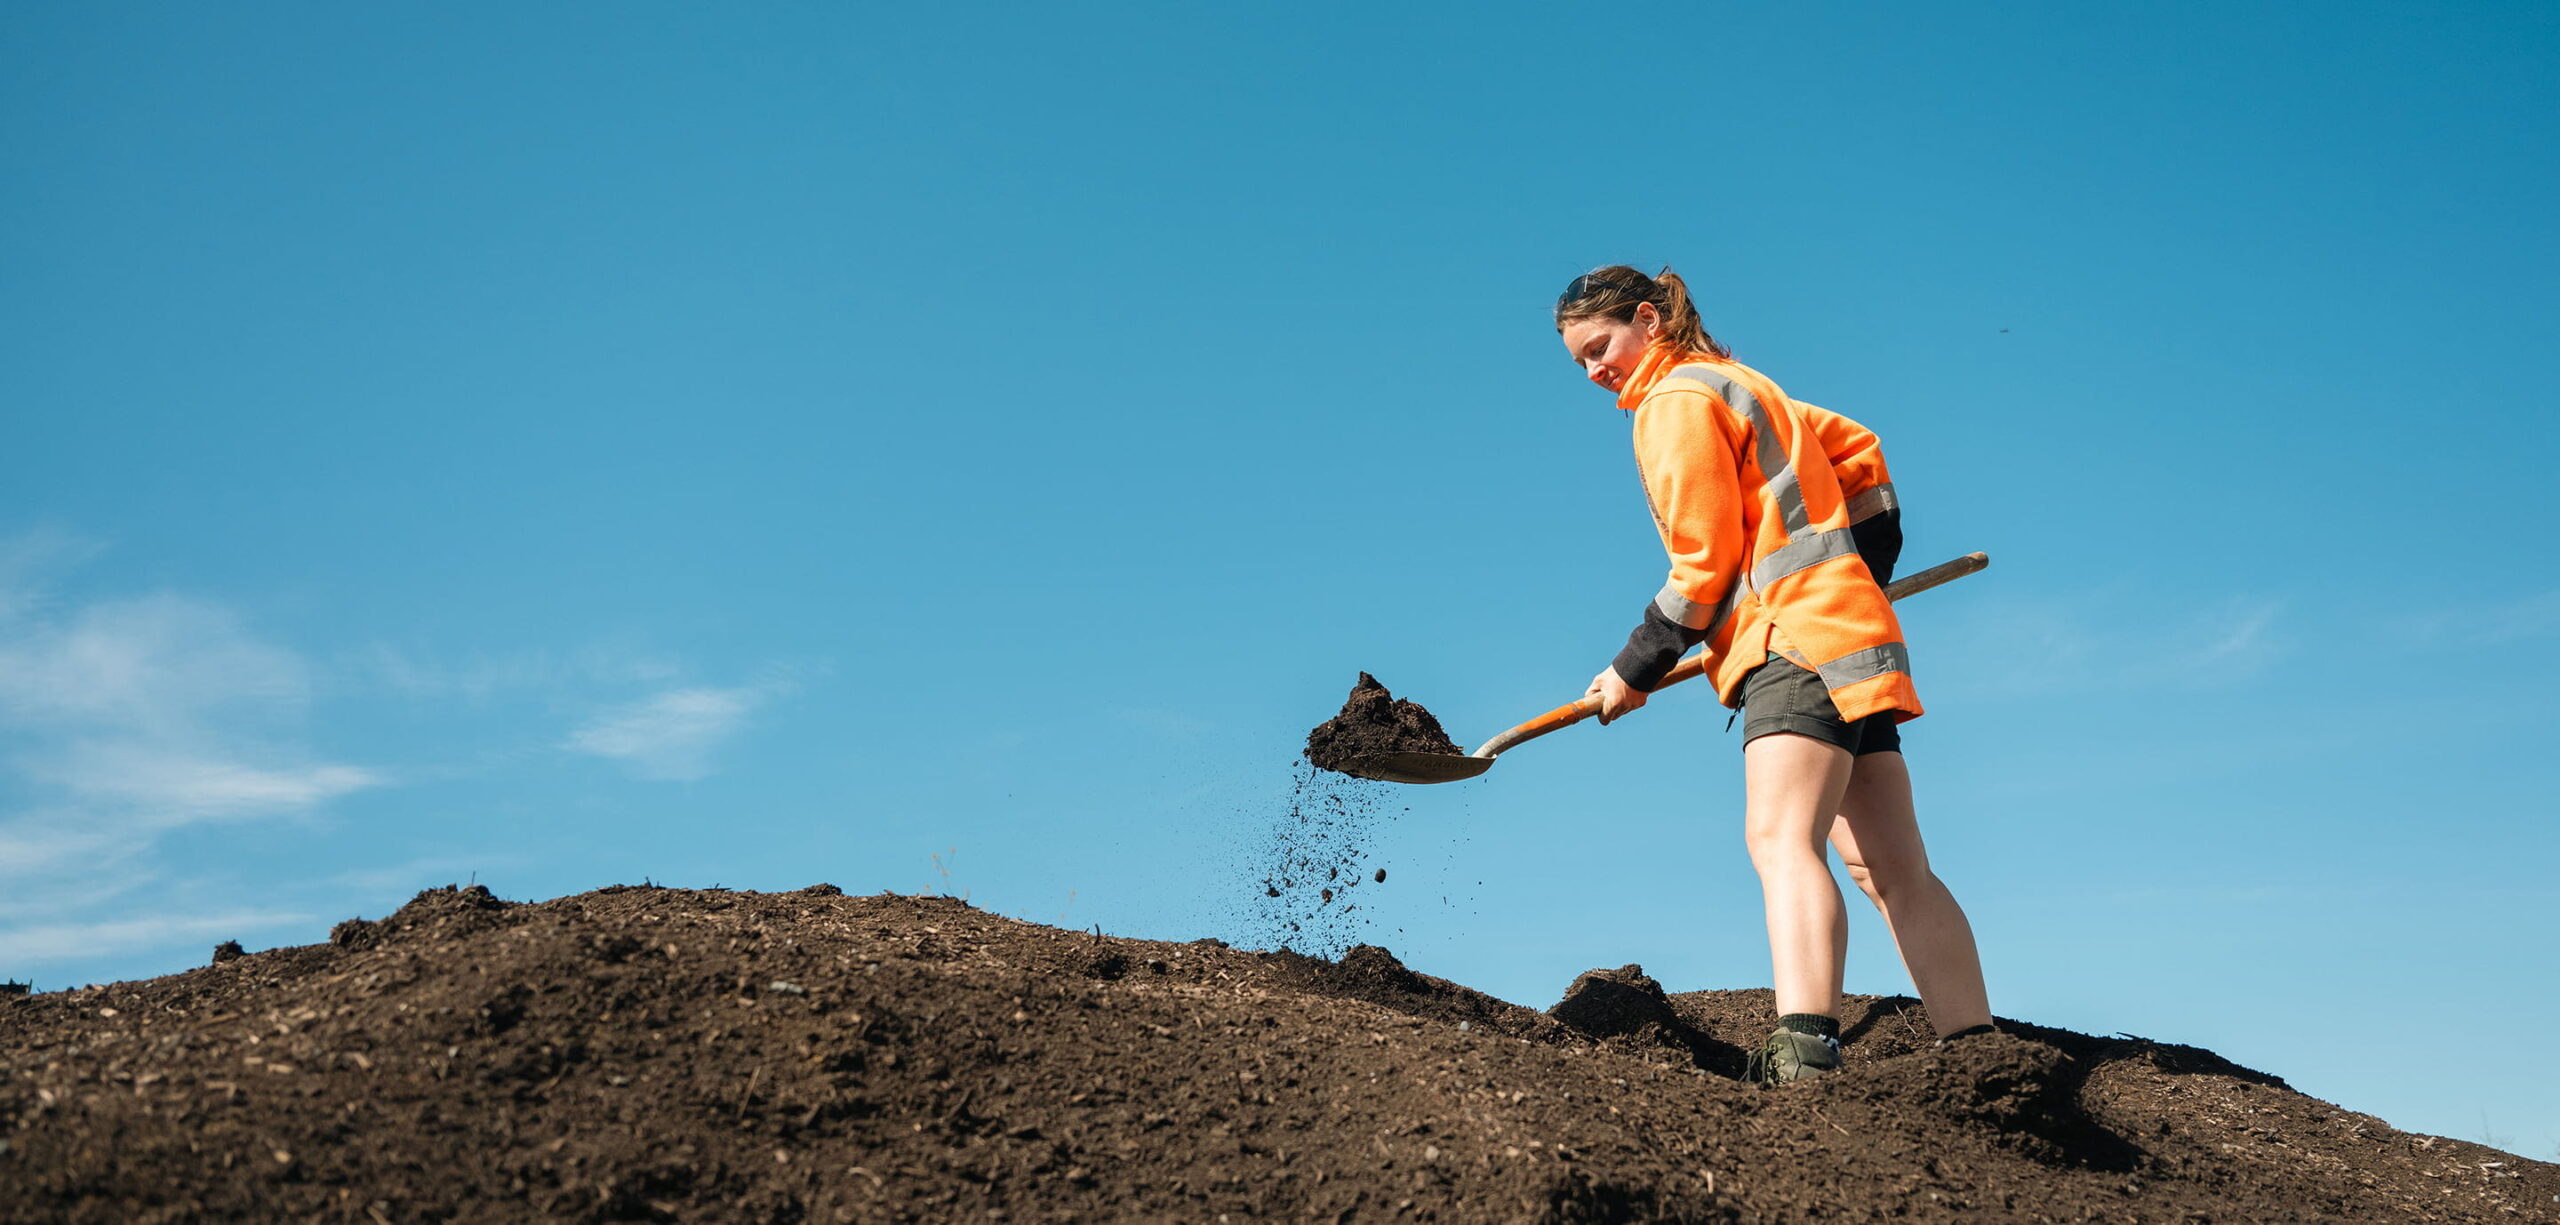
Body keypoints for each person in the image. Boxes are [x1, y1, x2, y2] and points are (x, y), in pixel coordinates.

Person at [1554, 265, 1994, 1084]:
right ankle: (1977, 1049)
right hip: (1850, 635)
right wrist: (1860, 570)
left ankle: (1804, 1051)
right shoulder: (1742, 383)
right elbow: (1860, 451)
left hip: (1792, 641)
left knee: (1780, 839)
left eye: (1600, 346)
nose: (1594, 371)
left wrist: (1634, 667)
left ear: (1648, 320)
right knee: (1890, 868)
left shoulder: (1674, 401)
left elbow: (1703, 565)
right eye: (1579, 361)